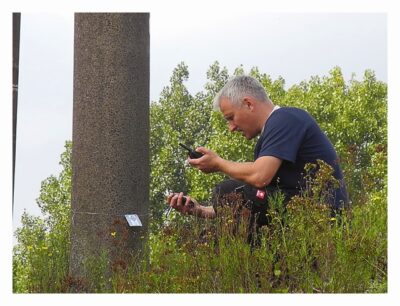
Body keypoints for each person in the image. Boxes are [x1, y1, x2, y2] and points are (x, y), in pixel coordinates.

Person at [167, 75, 349, 229]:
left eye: (231, 118)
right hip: (305, 217)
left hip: (324, 220)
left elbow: (260, 176)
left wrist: (218, 163)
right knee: (234, 194)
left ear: (248, 104)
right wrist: (200, 210)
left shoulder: (285, 119)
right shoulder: (272, 133)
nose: (231, 128)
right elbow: (261, 197)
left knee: (227, 190)